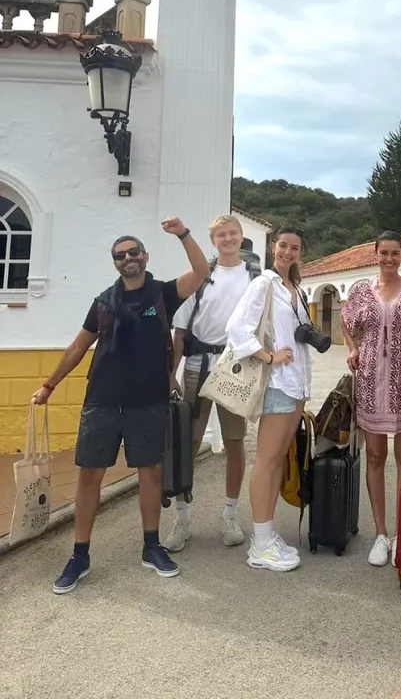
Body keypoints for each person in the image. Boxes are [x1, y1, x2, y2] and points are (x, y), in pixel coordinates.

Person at [32, 219, 209, 594]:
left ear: (144, 256)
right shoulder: (103, 303)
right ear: (114, 262)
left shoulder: (162, 294)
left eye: (133, 252)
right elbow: (78, 348)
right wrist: (49, 385)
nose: (127, 258)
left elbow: (200, 270)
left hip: (149, 400)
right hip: (103, 400)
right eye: (120, 255)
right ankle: (79, 555)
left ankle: (150, 547)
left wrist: (183, 234)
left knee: (151, 474)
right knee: (89, 476)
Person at [340, 231, 401, 567]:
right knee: (375, 457)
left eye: (395, 253)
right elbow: (344, 320)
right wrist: (354, 348)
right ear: (375, 254)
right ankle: (381, 534)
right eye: (383, 253)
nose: (389, 259)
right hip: (370, 380)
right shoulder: (361, 292)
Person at [162, 214, 261, 553]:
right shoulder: (202, 276)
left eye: (233, 233)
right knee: (187, 441)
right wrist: (169, 372)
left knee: (235, 442)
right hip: (197, 364)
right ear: (213, 240)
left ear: (241, 237)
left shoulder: (254, 278)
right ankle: (182, 518)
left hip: (236, 365)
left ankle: (230, 515)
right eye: (221, 235)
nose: (228, 239)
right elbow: (180, 330)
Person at [226, 226, 313, 573]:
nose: (287, 252)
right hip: (278, 383)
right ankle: (260, 544)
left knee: (278, 461)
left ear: (300, 253)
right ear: (272, 247)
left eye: (294, 248)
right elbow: (236, 329)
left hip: (297, 386)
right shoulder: (263, 283)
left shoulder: (294, 288)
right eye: (283, 245)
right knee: (266, 460)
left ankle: (266, 532)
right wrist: (267, 355)